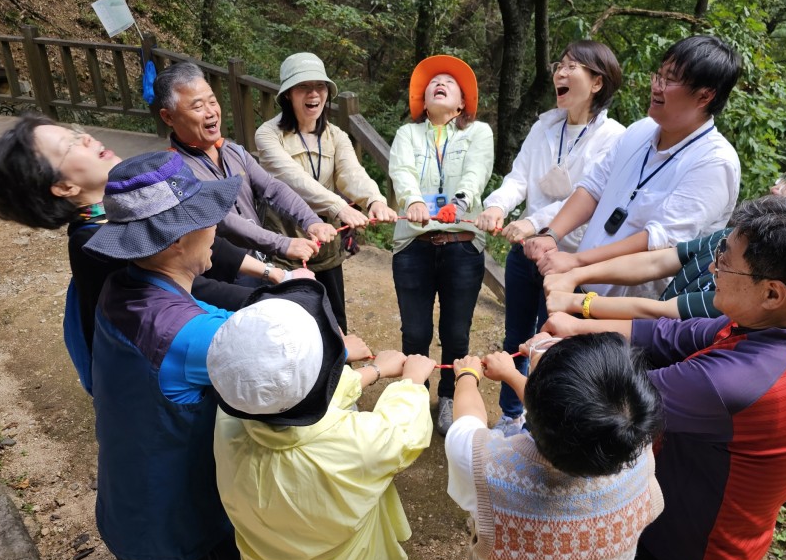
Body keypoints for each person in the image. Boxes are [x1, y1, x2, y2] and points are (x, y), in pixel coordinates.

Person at [552, 196, 786, 560]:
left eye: (725, 264)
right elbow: (671, 333)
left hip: (686, 552)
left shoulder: (735, 383)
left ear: (772, 292)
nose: (713, 269)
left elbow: (605, 405)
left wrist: (542, 363)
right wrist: (577, 322)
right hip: (705, 525)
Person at [0, 112, 303, 391]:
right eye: (70, 145)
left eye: (78, 133)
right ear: (64, 188)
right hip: (152, 358)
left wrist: (273, 273)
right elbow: (184, 286)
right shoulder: (93, 243)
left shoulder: (123, 207)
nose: (87, 138)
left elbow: (198, 233)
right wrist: (277, 299)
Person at [80, 149, 253, 560]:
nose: (217, 228)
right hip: (185, 535)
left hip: (126, 508)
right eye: (209, 219)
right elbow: (271, 361)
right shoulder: (190, 337)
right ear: (178, 239)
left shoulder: (120, 285)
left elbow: (205, 309)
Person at [208, 279, 434, 560]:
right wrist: (411, 381)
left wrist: (367, 374)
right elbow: (402, 430)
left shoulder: (229, 424)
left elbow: (289, 403)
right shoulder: (356, 445)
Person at [444, 334, 664, 560]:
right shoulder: (636, 448)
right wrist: (514, 373)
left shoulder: (489, 468)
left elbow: (467, 423)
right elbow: (575, 422)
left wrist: (467, 376)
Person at [474, 40, 626, 434]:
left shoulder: (614, 138)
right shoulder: (545, 126)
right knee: (515, 335)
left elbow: (585, 194)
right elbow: (519, 177)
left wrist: (536, 224)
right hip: (525, 253)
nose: (559, 73)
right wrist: (497, 206)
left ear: (597, 82)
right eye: (559, 65)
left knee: (551, 342)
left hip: (570, 262)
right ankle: (510, 414)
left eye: (571, 66)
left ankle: (539, 425)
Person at [523, 35, 742, 299]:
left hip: (630, 317)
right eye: (658, 76)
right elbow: (593, 188)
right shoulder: (641, 130)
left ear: (704, 95)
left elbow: (658, 242)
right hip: (581, 288)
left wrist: (578, 262)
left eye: (669, 80)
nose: (657, 87)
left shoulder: (714, 162)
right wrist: (552, 234)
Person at [544, 158, 786, 323]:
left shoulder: (761, 288)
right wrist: (576, 273)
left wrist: (579, 304)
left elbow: (662, 313)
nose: (776, 189)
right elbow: (660, 259)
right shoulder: (739, 237)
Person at [389, 54, 494, 435]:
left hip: (462, 244)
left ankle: (449, 396)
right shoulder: (408, 134)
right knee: (414, 331)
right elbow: (401, 170)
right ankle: (414, 398)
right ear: (423, 98)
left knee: (456, 332)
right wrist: (414, 201)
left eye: (450, 83)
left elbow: (477, 170)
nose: (441, 83)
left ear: (462, 103)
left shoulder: (477, 133)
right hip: (414, 246)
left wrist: (460, 202)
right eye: (435, 81)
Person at [255, 52, 397, 332]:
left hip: (328, 244)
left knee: (335, 321)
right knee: (292, 324)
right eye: (303, 87)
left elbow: (351, 173)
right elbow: (291, 179)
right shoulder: (268, 135)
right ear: (288, 95)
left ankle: (343, 373)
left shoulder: (336, 135)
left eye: (319, 86)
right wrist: (339, 207)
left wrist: (374, 200)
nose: (313, 94)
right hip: (286, 244)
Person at [156, 61, 337, 272]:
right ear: (168, 117)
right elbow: (224, 220)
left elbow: (273, 188)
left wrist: (311, 221)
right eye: (197, 107)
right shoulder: (175, 172)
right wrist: (282, 243)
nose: (211, 112)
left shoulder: (233, 151)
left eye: (213, 102)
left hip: (263, 264)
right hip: (225, 275)